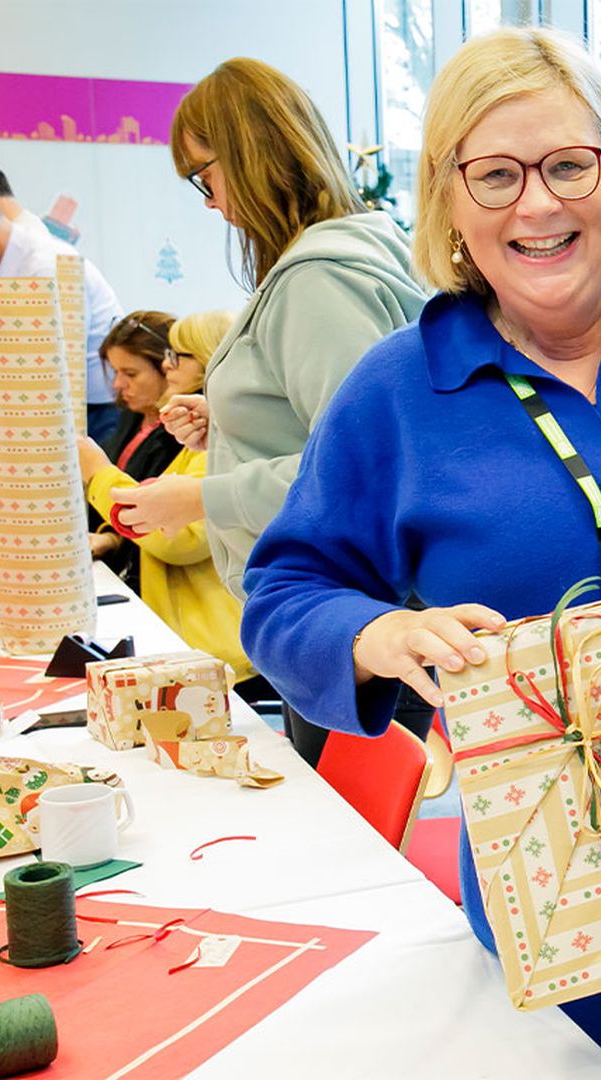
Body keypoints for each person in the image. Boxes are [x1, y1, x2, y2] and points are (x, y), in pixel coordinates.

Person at [239, 27, 601, 1078]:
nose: (537, 206)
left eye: (567, 165)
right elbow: (281, 590)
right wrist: (378, 632)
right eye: (494, 175)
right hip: (562, 910)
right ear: (449, 202)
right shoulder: (397, 391)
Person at [113, 57, 428, 763]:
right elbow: (321, 429)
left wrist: (200, 494)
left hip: (343, 614)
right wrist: (225, 424)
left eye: (204, 176)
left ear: (250, 158)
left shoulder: (317, 281)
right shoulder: (327, 263)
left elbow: (361, 474)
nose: (209, 202)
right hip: (341, 613)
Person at [79, 310, 264, 694]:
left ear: (213, 359)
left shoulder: (221, 441)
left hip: (208, 647)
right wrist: (113, 536)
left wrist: (97, 473)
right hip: (185, 632)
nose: (168, 365)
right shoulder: (202, 435)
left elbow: (175, 538)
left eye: (179, 355)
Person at [0, 174, 124, 442]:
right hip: (52, 409)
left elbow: (56, 363)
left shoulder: (47, 265)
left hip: (94, 411)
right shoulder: (5, 266)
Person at [79, 312, 184, 595]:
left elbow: (164, 522)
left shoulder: (185, 437)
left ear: (167, 367)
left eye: (130, 374)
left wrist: (113, 540)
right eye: (115, 372)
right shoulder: (131, 416)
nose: (117, 385)